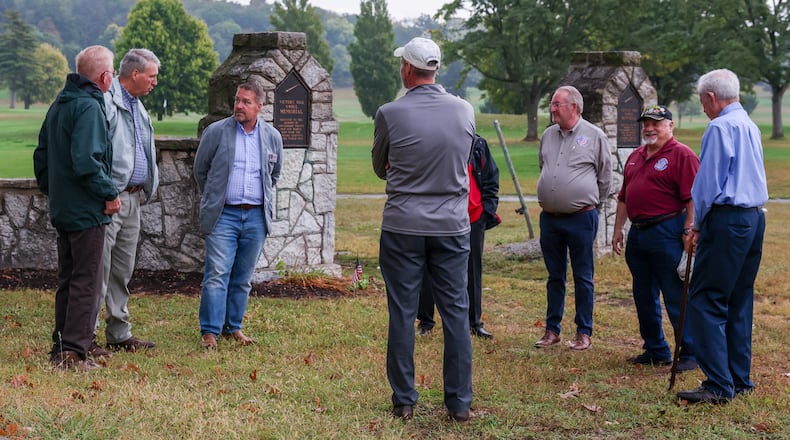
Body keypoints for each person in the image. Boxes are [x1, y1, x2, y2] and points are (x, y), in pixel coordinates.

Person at [372, 37, 475, 422]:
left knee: (402, 311)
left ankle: (404, 399)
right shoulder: (465, 111)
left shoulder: (389, 113)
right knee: (456, 312)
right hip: (451, 224)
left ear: (408, 69)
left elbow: (380, 167)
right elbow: (463, 159)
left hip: (403, 223)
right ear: (435, 69)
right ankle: (459, 402)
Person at [677, 69, 768, 404]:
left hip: (727, 221)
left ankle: (718, 383)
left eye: (703, 101)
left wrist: (696, 225)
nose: (703, 108)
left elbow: (708, 182)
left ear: (712, 98)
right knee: (739, 299)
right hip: (754, 219)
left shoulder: (720, 127)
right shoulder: (749, 124)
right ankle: (738, 378)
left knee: (707, 298)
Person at [33, 45, 121, 371]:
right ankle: (72, 354)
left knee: (69, 279)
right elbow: (87, 162)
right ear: (104, 76)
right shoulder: (88, 107)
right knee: (86, 279)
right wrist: (109, 193)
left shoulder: (60, 103)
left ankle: (62, 345)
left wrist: (54, 191)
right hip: (86, 210)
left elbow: (41, 157)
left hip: (64, 207)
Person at [193, 78, 283, 351]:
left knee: (242, 277)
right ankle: (210, 331)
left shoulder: (272, 137)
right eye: (237, 100)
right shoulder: (216, 132)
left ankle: (234, 327)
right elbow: (201, 171)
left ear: (259, 106)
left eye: (246, 102)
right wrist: (214, 198)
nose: (239, 106)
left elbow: (273, 174)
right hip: (223, 216)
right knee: (217, 273)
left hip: (255, 217)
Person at [611, 105, 699, 372]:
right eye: (646, 123)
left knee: (674, 293)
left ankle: (690, 352)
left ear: (670, 126)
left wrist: (688, 229)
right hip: (638, 233)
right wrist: (618, 229)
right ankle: (655, 348)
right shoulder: (636, 156)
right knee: (643, 293)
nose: (649, 128)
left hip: (667, 231)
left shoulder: (682, 155)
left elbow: (693, 197)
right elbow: (624, 197)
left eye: (656, 123)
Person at [534, 85, 612, 351]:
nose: (552, 109)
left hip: (581, 217)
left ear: (574, 107)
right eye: (552, 104)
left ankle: (583, 332)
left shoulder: (594, 135)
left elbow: (605, 178)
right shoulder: (548, 135)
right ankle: (552, 330)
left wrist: (588, 203)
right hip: (551, 219)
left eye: (557, 104)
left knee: (583, 275)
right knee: (555, 276)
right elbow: (543, 167)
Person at [94, 48, 161, 355]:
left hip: (133, 200)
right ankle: (86, 335)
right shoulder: (107, 103)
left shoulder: (138, 106)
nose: (155, 82)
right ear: (135, 74)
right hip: (111, 200)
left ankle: (119, 333)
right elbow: (98, 152)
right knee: (99, 269)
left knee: (122, 270)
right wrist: (108, 192)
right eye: (152, 76)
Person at [417, 134, 501, 339]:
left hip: (473, 217)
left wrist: (485, 211)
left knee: (472, 270)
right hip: (438, 216)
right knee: (428, 268)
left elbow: (491, 178)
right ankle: (426, 322)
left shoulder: (478, 143)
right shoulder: (434, 138)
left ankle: (474, 322)